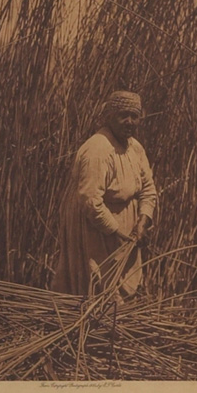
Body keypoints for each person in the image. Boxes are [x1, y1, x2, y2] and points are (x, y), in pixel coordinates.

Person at [52, 91, 158, 299]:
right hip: (95, 226)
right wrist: (116, 231)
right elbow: (90, 201)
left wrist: (142, 222)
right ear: (109, 116)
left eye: (134, 116)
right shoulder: (97, 150)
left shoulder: (135, 148)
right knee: (96, 282)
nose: (129, 122)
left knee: (123, 284)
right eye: (122, 115)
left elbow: (148, 189)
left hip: (127, 226)